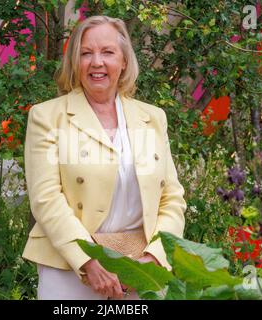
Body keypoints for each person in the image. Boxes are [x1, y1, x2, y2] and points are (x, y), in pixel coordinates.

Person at [22, 15, 187, 300]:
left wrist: (155, 258)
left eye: (107, 52)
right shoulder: (47, 117)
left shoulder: (152, 118)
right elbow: (46, 198)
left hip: (140, 269)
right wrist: (88, 261)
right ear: (75, 62)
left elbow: (171, 198)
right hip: (71, 267)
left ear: (124, 61)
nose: (96, 62)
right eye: (86, 53)